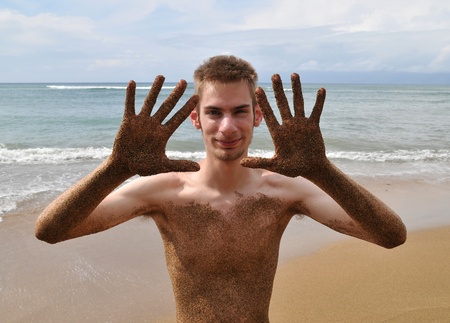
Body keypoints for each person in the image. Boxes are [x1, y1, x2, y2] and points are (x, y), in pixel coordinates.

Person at [35, 55, 406, 322]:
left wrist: (322, 170)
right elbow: (50, 231)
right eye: (214, 112)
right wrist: (115, 167)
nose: (227, 127)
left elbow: (390, 235)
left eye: (240, 111)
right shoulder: (164, 192)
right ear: (195, 117)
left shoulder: (285, 192)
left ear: (257, 115)